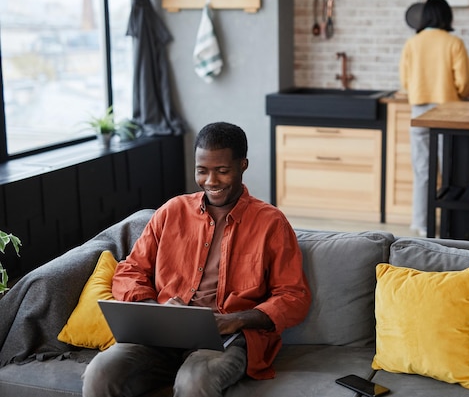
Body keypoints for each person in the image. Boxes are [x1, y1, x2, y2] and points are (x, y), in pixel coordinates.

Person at [82, 122, 312, 397]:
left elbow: (293, 296)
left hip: (226, 339)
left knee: (194, 382)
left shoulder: (271, 223)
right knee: (101, 372)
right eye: (202, 171)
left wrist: (235, 320)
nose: (211, 181)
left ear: (243, 165)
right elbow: (129, 271)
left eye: (222, 171)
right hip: (162, 334)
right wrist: (156, 308)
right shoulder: (171, 211)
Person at [399, 0, 469, 236]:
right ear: (447, 17)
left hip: (419, 110)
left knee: (422, 170)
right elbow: (463, 84)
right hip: (447, 112)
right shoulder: (454, 42)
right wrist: (457, 93)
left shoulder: (413, 43)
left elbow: (405, 81)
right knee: (449, 170)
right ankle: (449, 225)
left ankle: (421, 223)